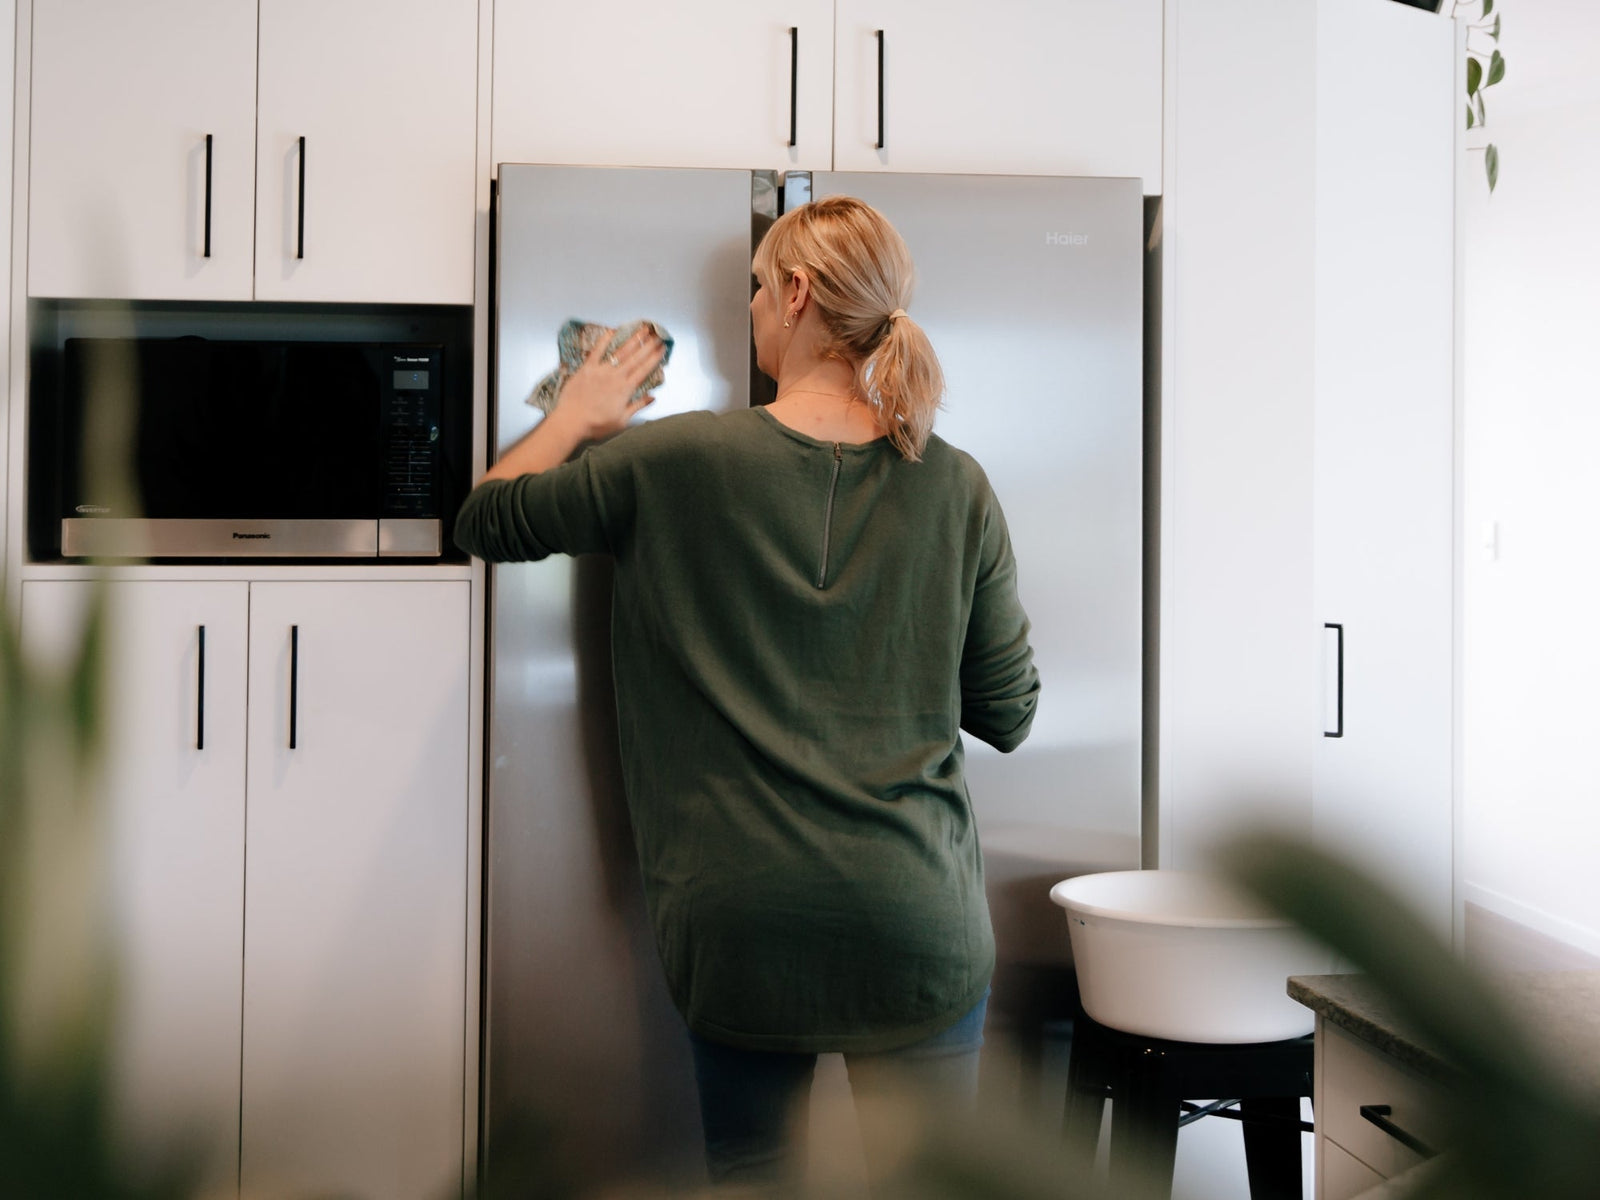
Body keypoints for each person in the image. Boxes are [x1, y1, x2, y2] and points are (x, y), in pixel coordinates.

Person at [454, 196, 1040, 1187]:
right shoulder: (956, 485)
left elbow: (485, 518)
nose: (758, 307)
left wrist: (578, 414)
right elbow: (1010, 714)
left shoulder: (670, 461)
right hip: (915, 921)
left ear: (798, 293)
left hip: (740, 927)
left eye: (761, 288)